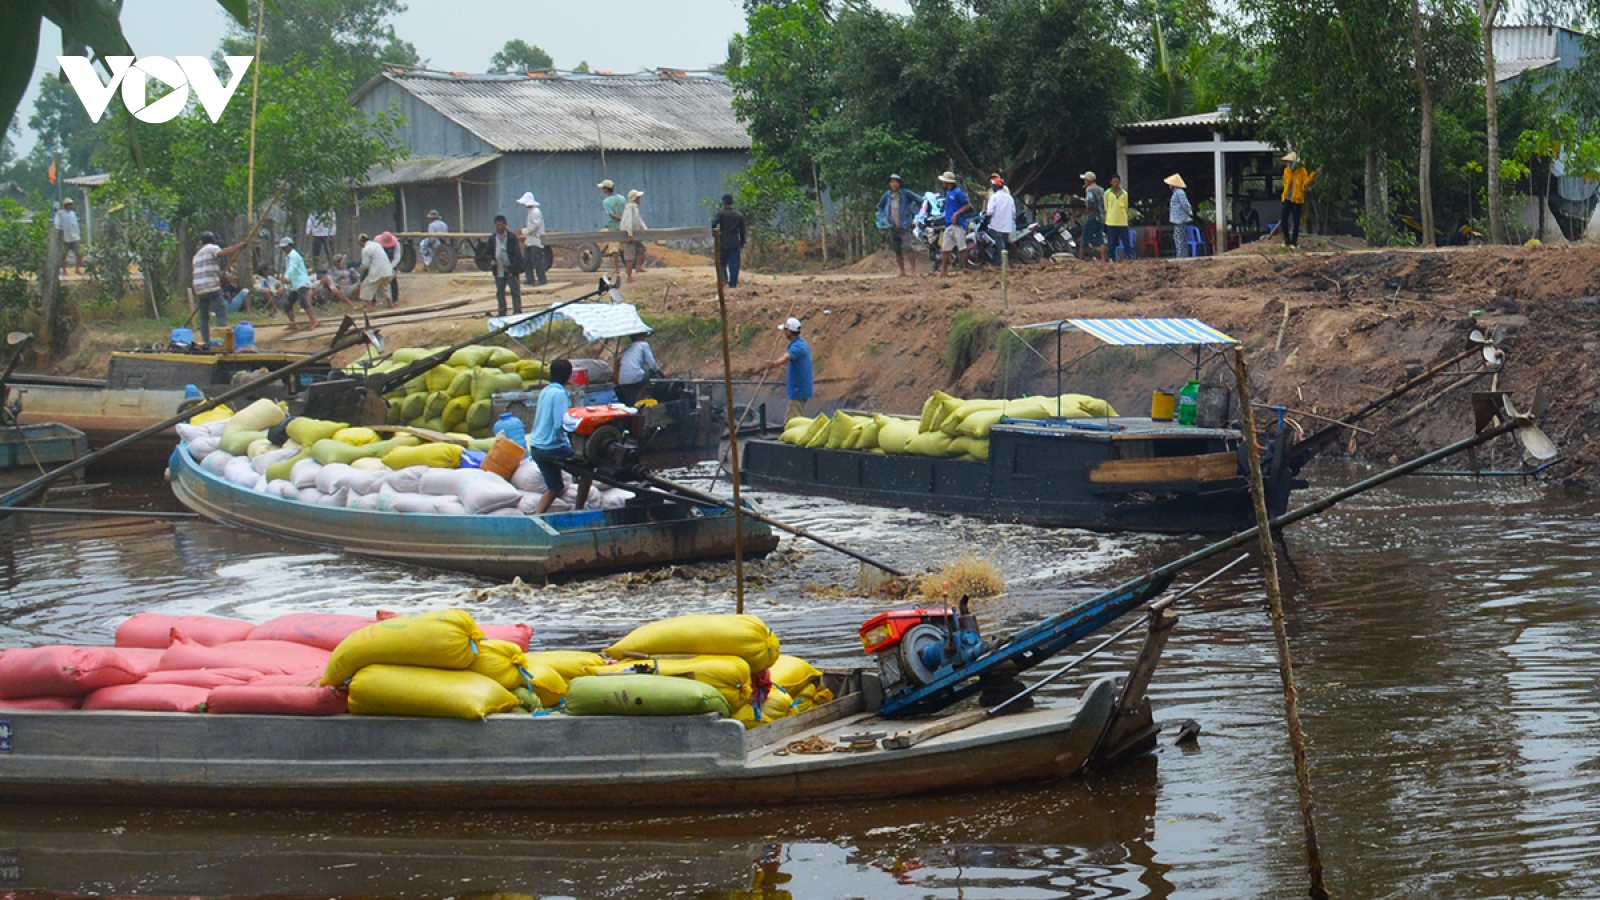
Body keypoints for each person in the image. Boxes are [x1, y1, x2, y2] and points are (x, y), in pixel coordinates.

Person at [529, 358, 593, 515]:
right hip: (552, 447)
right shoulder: (559, 394)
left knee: (555, 487)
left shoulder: (546, 391)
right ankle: (579, 511)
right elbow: (560, 424)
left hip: (537, 448)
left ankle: (537, 516)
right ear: (569, 376)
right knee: (588, 471)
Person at [191, 231, 247, 349]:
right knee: (221, 313)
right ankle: (221, 342)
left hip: (199, 288)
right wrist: (239, 246)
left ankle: (206, 342)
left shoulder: (196, 256)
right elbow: (223, 252)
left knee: (204, 318)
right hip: (211, 286)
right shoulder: (212, 248)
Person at [763, 316, 813, 421]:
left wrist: (774, 364)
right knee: (794, 416)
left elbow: (786, 357)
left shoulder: (798, 347)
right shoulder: (799, 343)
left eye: (785, 330)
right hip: (798, 388)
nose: (784, 333)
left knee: (793, 420)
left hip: (799, 389)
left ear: (789, 331)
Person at [876, 174, 920, 277]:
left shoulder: (905, 194)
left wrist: (912, 211)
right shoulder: (887, 196)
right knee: (897, 249)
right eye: (892, 182)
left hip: (904, 225)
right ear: (889, 184)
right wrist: (885, 216)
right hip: (892, 225)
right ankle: (902, 271)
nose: (894, 184)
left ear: (899, 184)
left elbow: (920, 201)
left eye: (896, 182)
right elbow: (880, 206)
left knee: (908, 247)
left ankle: (914, 270)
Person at [278, 236, 319, 330]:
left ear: (290, 246)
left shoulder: (294, 256)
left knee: (303, 302)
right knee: (288, 303)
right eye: (283, 248)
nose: (284, 249)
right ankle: (293, 323)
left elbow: (292, 268)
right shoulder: (288, 257)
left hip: (301, 282)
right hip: (294, 283)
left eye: (286, 247)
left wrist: (286, 277)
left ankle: (314, 320)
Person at [488, 214, 526, 316]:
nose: (499, 227)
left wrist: (511, 268)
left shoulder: (511, 237)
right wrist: (491, 261)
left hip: (510, 270)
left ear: (505, 225)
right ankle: (501, 311)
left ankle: (517, 311)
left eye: (501, 225)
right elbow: (488, 253)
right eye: (497, 225)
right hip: (499, 270)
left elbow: (516, 254)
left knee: (515, 291)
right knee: (500, 292)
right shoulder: (492, 238)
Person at [937, 171, 973, 277]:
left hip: (958, 224)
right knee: (945, 248)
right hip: (949, 224)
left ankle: (965, 268)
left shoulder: (958, 192)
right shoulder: (949, 193)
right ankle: (944, 271)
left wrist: (956, 214)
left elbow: (967, 206)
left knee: (962, 247)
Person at [1280, 152, 1318, 249]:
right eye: (1288, 162)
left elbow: (1305, 184)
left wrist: (1313, 175)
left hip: (1297, 200)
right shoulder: (1286, 171)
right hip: (1287, 198)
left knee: (1296, 222)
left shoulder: (1302, 171)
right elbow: (1285, 183)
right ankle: (1287, 239)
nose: (1289, 164)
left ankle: (1294, 242)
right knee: (1283, 220)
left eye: (1290, 162)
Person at [711, 193, 746, 287]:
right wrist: (742, 242)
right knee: (734, 264)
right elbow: (742, 231)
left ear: (724, 202)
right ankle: (733, 283)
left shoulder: (721, 214)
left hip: (723, 242)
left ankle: (724, 279)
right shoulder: (739, 215)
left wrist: (715, 235)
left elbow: (714, 223)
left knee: (721, 262)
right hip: (735, 242)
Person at [616, 335, 662, 405]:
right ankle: (648, 393)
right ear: (638, 337)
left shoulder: (628, 348)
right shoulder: (643, 344)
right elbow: (652, 364)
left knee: (631, 403)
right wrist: (660, 373)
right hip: (635, 377)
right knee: (652, 373)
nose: (644, 337)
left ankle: (639, 396)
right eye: (643, 336)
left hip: (622, 380)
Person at [517, 192, 548, 286]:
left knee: (536, 261)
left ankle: (542, 279)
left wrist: (526, 231)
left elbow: (536, 225)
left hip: (536, 239)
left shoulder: (535, 212)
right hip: (530, 240)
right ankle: (530, 279)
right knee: (527, 260)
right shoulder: (530, 212)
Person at [356, 232, 394, 308]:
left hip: (377, 271)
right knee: (383, 287)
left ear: (361, 242)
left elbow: (365, 264)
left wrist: (360, 268)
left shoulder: (366, 250)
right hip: (388, 270)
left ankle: (369, 306)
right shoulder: (377, 245)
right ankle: (390, 303)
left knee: (366, 286)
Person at [985, 174, 1016, 260]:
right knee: (1003, 245)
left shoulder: (994, 197)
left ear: (995, 187)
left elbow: (990, 212)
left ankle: (999, 264)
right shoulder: (1010, 198)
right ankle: (1003, 264)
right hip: (1007, 227)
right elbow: (1013, 212)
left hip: (996, 226)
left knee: (1000, 247)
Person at [598, 179, 625, 276]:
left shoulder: (606, 202)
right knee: (624, 246)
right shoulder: (622, 198)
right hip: (623, 226)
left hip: (614, 226)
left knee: (614, 247)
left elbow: (611, 214)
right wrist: (624, 219)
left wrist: (620, 219)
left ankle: (617, 268)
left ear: (606, 189)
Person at [620, 189, 647, 283]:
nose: (640, 199)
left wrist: (645, 230)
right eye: (638, 197)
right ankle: (629, 276)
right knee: (630, 256)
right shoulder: (629, 208)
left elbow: (639, 221)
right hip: (629, 234)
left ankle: (638, 267)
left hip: (635, 234)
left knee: (641, 249)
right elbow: (628, 222)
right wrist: (630, 234)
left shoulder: (634, 208)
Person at [1104, 174, 1133, 261]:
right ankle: (1111, 258)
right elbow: (1106, 207)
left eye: (1117, 181)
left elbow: (1126, 207)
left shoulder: (1124, 193)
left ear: (1120, 182)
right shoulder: (1107, 193)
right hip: (1111, 221)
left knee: (1126, 241)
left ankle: (1129, 257)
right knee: (1111, 241)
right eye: (1114, 182)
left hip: (1122, 221)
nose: (1115, 183)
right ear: (1111, 182)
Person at [1166, 174, 1194, 258]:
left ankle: (1181, 256)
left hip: (1180, 219)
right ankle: (1182, 255)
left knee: (1179, 238)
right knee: (1180, 237)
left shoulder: (1179, 192)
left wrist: (1189, 212)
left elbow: (1185, 204)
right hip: (1178, 219)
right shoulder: (1177, 192)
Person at [1080, 171, 1107, 261]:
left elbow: (1090, 201)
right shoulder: (1101, 189)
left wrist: (1088, 209)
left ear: (1088, 180)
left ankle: (1081, 258)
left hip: (1092, 217)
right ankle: (1103, 258)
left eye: (1085, 180)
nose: (1084, 182)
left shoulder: (1089, 189)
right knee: (1100, 239)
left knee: (1085, 238)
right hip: (1101, 217)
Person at [53, 198, 83, 274]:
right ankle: (64, 270)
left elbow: (75, 225)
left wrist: (78, 235)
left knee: (80, 253)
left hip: (74, 237)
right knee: (64, 255)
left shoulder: (73, 213)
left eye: (71, 204)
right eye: (68, 204)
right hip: (65, 238)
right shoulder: (60, 213)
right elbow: (57, 224)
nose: (70, 206)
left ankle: (77, 269)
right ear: (65, 205)